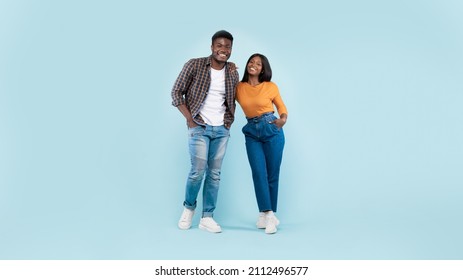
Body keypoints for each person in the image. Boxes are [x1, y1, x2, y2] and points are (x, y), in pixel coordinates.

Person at [171, 30, 239, 233]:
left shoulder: (232, 72)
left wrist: (228, 122)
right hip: (199, 127)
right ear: (212, 47)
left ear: (231, 49)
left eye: (227, 47)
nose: (223, 50)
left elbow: (237, 95)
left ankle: (207, 217)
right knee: (197, 172)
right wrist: (190, 119)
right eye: (219, 45)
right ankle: (188, 209)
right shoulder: (195, 64)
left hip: (221, 129)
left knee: (215, 174)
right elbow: (176, 92)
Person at [236, 53, 288, 234]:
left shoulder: (270, 86)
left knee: (272, 174)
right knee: (259, 173)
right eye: (251, 62)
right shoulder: (239, 87)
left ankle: (267, 214)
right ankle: (267, 213)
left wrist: (282, 119)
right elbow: (225, 100)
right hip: (251, 132)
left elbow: (281, 106)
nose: (254, 65)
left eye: (258, 64)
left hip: (271, 128)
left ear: (263, 68)